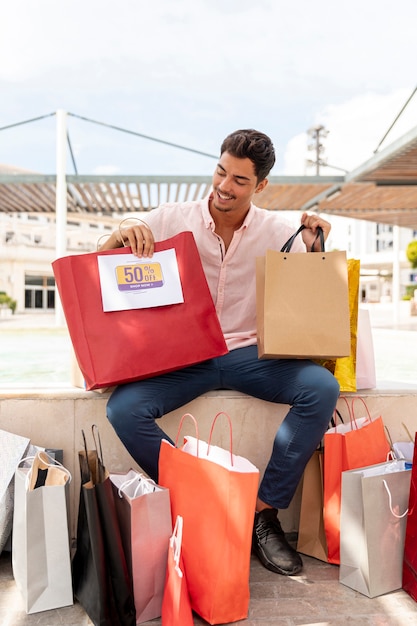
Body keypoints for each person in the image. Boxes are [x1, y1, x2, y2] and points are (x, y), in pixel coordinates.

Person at [100, 129, 340, 576]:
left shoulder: (280, 232)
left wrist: (316, 245)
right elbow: (100, 257)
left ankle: (262, 515)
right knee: (124, 409)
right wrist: (120, 230)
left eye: (240, 180)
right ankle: (204, 503)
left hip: (253, 357)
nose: (224, 186)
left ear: (261, 185)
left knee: (322, 388)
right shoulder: (172, 217)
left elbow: (314, 295)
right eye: (220, 171)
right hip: (187, 360)